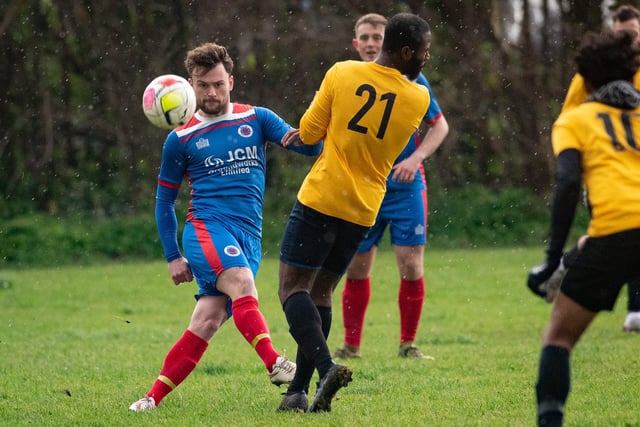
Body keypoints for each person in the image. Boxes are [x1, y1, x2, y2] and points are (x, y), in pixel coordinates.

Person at [128, 42, 322, 412]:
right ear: (190, 85)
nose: (212, 92)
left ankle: (151, 399)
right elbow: (164, 202)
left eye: (218, 84)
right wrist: (173, 257)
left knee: (207, 321)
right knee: (243, 284)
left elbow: (308, 148)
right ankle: (275, 363)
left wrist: (322, 114)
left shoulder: (257, 118)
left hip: (247, 237)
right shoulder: (180, 138)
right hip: (205, 230)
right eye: (203, 86)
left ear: (231, 81)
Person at [275, 13, 432, 413]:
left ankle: (326, 367)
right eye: (425, 51)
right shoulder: (419, 98)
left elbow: (310, 132)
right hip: (363, 208)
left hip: (323, 197)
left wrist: (316, 128)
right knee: (322, 292)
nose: (427, 58)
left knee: (292, 289)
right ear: (407, 51)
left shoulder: (342, 73)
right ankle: (298, 391)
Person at [528, 30, 640, 426]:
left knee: (558, 338)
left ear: (586, 82)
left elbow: (569, 183)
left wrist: (552, 257)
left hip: (614, 233)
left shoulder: (575, 119)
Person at [333, 13, 449, 361]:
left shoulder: (414, 79)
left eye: (377, 37)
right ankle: (351, 346)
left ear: (391, 44)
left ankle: (408, 344)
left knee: (411, 265)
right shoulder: (348, 77)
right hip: (361, 187)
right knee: (356, 267)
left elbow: (440, 126)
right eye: (364, 37)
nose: (371, 43)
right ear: (356, 44)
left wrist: (415, 160)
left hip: (404, 188)